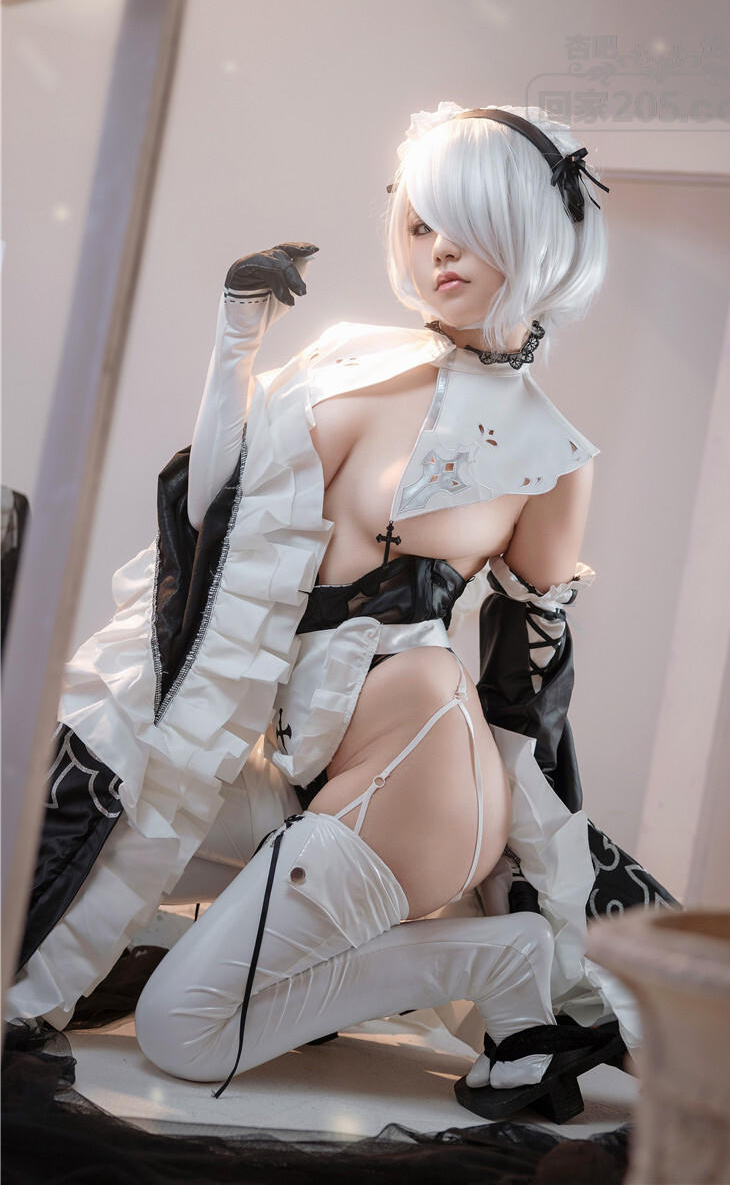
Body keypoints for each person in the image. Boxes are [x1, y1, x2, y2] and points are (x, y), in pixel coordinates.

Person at [6, 101, 676, 1122]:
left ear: (535, 238)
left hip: (416, 784)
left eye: (470, 226)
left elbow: (528, 670)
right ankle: (272, 955)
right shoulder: (347, 360)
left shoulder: (552, 454)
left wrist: (540, 868)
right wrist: (237, 338)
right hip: (304, 765)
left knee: (183, 1037)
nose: (439, 249)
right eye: (421, 223)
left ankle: (503, 957)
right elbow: (216, 517)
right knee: (101, 820)